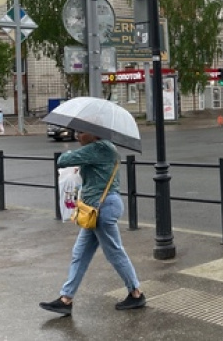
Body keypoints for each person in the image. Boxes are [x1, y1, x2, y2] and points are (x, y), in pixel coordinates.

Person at [39, 130, 145, 316]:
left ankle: (136, 293)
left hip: (101, 209)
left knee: (114, 252)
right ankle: (66, 299)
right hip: (96, 209)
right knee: (80, 253)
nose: (77, 135)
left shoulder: (98, 148)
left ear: (95, 133)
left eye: (81, 132)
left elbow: (62, 160)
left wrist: (72, 154)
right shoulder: (103, 147)